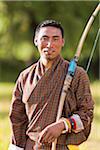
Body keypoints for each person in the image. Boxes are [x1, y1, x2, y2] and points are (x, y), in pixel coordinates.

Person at [9, 20, 94, 150]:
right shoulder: (25, 77)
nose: (50, 44)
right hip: (31, 146)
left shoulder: (77, 74)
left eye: (55, 39)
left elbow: (87, 113)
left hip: (60, 146)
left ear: (62, 42)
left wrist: (63, 125)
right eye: (45, 38)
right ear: (36, 41)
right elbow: (17, 118)